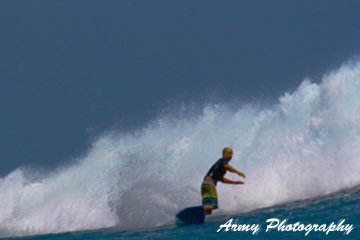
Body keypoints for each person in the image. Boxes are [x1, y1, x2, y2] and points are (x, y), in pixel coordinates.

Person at [201, 147, 246, 214]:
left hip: (204, 186)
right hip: (210, 185)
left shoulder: (219, 164)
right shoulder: (223, 160)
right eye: (229, 153)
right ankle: (198, 211)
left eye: (232, 154)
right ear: (224, 153)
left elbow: (221, 179)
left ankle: (195, 216)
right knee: (214, 205)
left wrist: (234, 182)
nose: (231, 155)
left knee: (208, 210)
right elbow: (227, 166)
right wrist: (237, 172)